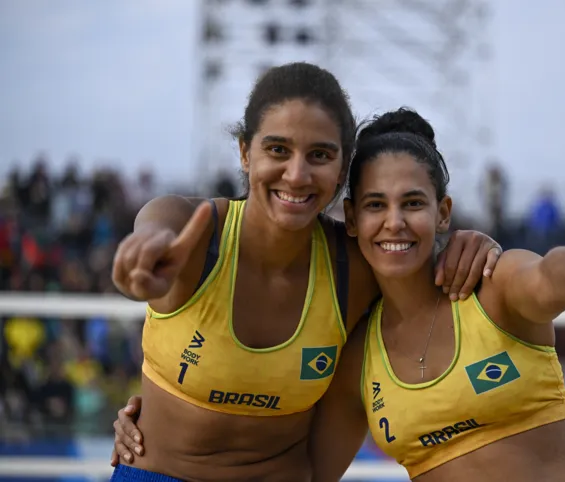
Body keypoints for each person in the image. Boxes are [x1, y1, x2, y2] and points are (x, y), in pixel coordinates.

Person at [108, 64, 502, 482]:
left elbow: (424, 260)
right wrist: (140, 261)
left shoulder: (358, 268)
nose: (296, 175)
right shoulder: (194, 233)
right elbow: (153, 231)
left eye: (319, 155)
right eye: (278, 149)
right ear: (245, 152)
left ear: (341, 168)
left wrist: (479, 245)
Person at [304, 108, 565, 481]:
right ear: (351, 217)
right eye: (376, 205)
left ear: (443, 213)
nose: (394, 222)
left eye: (412, 203)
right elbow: (311, 474)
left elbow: (549, 277)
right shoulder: (359, 358)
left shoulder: (493, 286)